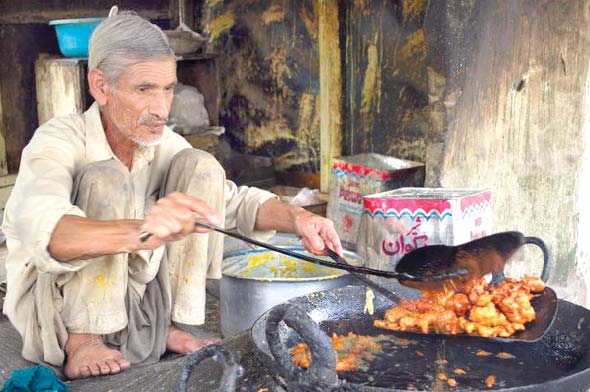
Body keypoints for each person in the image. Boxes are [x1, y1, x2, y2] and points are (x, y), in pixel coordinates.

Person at [2, 10, 343, 380]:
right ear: (100, 86)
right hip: (56, 315)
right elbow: (47, 232)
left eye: (168, 89)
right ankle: (84, 340)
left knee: (201, 166)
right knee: (106, 179)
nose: (162, 108)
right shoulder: (57, 141)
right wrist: (145, 230)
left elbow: (231, 203)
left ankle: (171, 325)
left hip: (140, 307)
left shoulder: (160, 141)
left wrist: (298, 219)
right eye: (144, 89)